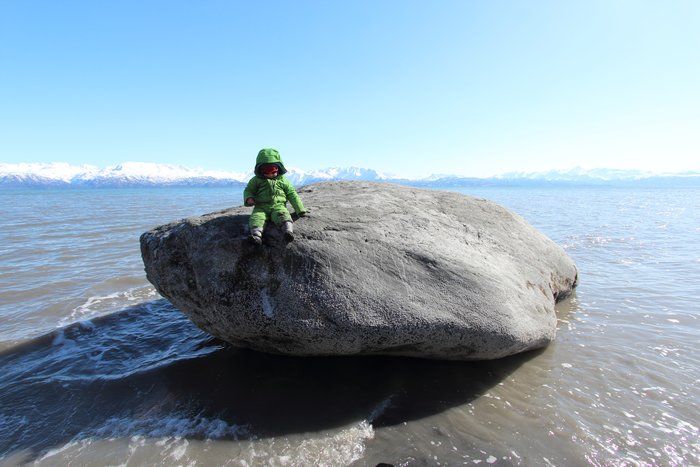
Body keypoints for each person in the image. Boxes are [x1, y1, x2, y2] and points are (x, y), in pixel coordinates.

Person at [243, 148, 307, 245]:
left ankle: (288, 232)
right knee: (256, 218)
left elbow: (292, 193)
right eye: (266, 171)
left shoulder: (283, 180)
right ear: (260, 169)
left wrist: (300, 209)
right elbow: (249, 190)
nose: (270, 174)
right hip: (261, 207)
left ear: (278, 168)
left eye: (273, 171)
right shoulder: (256, 180)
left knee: (283, 215)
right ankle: (256, 236)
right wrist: (249, 198)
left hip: (278, 205)